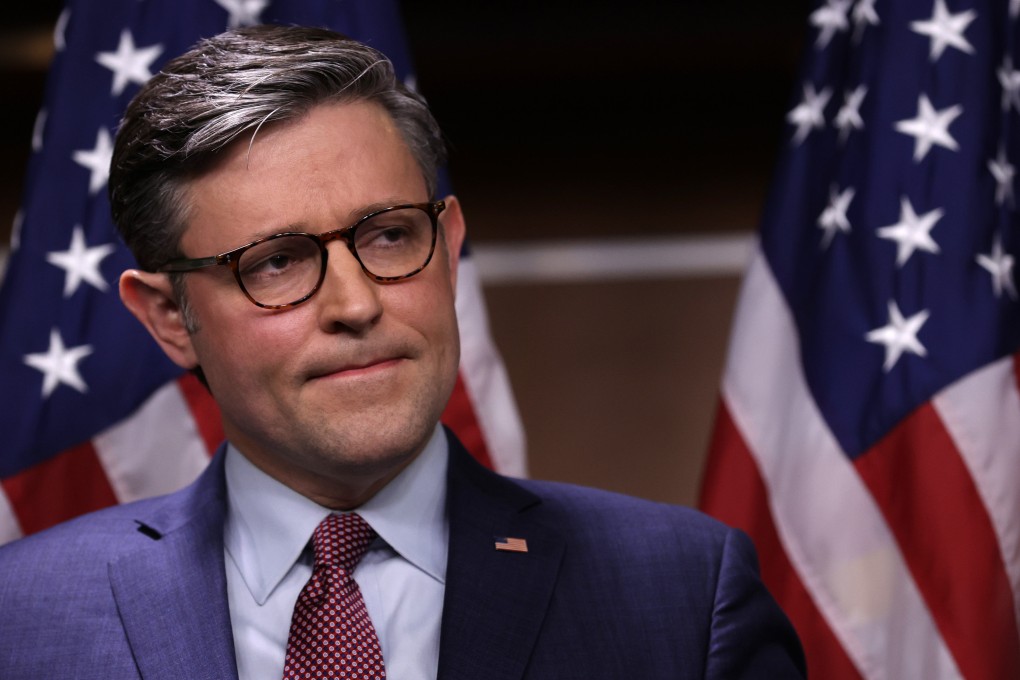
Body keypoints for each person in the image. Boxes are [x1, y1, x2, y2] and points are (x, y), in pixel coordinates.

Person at [0, 25, 805, 679]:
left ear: (449, 247)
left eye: (389, 236)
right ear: (170, 317)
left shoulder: (686, 596)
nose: (356, 304)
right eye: (276, 261)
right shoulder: (21, 618)